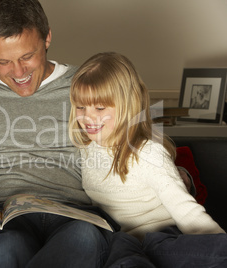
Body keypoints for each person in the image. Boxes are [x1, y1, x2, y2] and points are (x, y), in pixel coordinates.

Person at [0, 0, 120, 267]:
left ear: (47, 38)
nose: (18, 73)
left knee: (83, 238)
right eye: (3, 62)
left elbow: (135, 140)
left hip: (76, 214)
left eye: (26, 56)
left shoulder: (87, 86)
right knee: (8, 247)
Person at [68, 51, 227, 267]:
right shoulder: (85, 149)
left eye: (100, 108)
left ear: (126, 106)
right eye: (81, 107)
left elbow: (185, 209)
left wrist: (217, 241)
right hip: (123, 242)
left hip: (162, 237)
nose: (88, 117)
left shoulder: (147, 152)